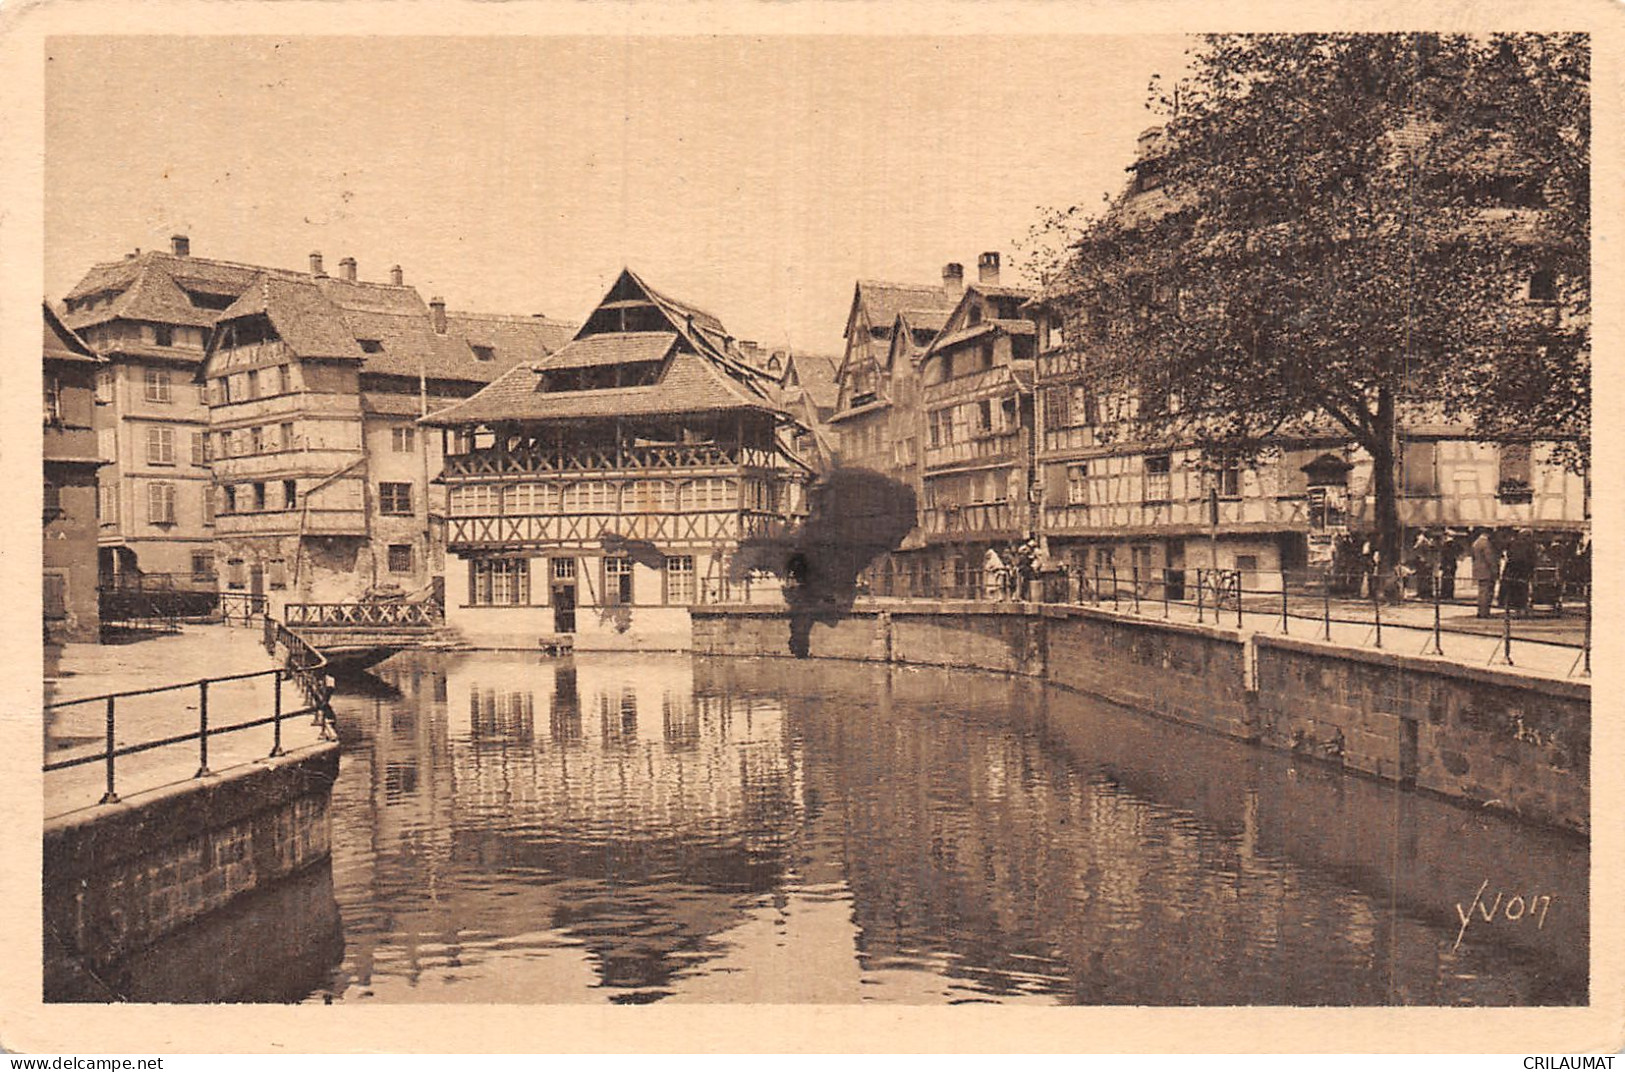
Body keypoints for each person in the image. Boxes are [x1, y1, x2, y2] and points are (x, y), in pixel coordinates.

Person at [1471, 529, 1500, 618]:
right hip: (1487, 571)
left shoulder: (1476, 543)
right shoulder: (1486, 543)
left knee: (1482, 592)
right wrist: (1495, 570)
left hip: (1479, 570)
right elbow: (1489, 558)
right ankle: (1485, 612)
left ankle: (1481, 611)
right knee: (1487, 592)